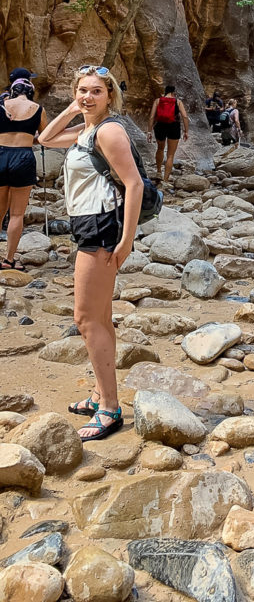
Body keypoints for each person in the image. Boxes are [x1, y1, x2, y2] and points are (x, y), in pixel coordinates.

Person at [39, 65, 143, 440]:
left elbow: (133, 185)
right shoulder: (85, 131)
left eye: (96, 91)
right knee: (101, 315)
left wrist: (127, 239)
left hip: (102, 227)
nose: (88, 96)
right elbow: (46, 139)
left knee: (85, 319)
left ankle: (111, 409)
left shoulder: (109, 131)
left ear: (110, 96)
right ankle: (101, 395)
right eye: (82, 90)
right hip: (89, 224)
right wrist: (72, 109)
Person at [0, 69, 48, 272]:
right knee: (17, 215)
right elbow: (45, 137)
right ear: (30, 88)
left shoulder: (1, 106)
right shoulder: (38, 109)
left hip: (0, 155)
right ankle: (9, 260)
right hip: (23, 157)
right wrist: (28, 137)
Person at [147, 85, 189, 186]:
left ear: (165, 92)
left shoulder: (158, 101)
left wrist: (149, 131)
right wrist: (186, 131)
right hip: (174, 126)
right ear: (173, 92)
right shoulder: (177, 102)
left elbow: (152, 116)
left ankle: (158, 171)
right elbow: (185, 116)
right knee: (170, 155)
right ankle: (165, 181)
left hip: (160, 126)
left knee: (160, 149)